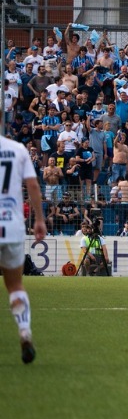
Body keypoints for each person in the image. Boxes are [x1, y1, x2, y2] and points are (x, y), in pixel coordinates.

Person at [0, 134, 47, 363]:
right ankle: (24, 330)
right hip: (12, 225)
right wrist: (39, 219)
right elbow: (33, 185)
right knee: (15, 285)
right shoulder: (17, 149)